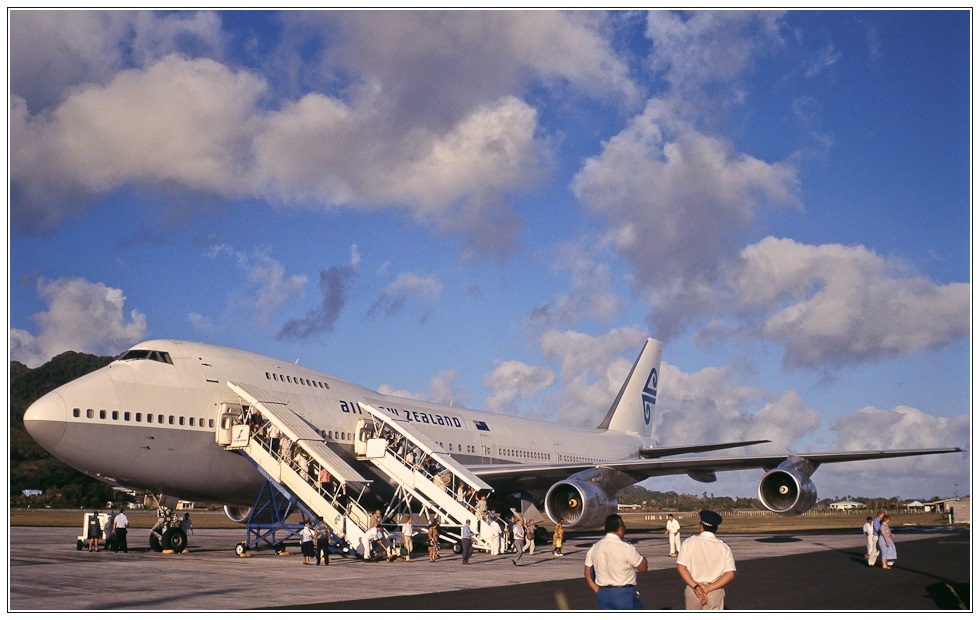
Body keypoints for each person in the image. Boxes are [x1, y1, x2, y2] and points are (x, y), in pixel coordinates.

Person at [584, 514, 648, 610]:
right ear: (620, 528)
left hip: (604, 593)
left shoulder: (594, 547)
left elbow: (587, 572)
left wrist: (597, 590)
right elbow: (643, 568)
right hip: (624, 593)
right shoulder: (626, 547)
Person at [676, 510, 736, 610]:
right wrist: (708, 589)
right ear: (716, 528)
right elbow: (730, 574)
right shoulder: (724, 547)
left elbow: (681, 567)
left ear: (701, 526)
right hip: (714, 590)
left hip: (693, 589)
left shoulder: (689, 542)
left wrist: (696, 587)